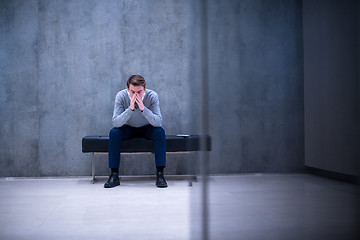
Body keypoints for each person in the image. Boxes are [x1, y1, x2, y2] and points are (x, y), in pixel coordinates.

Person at [104, 75, 168, 188]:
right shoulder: (121, 96)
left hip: (147, 128)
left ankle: (160, 174)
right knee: (114, 133)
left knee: (160, 132)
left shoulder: (152, 96)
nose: (136, 95)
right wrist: (130, 109)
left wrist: (143, 109)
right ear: (128, 89)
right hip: (128, 128)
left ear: (145, 88)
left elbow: (158, 122)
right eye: (133, 92)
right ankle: (114, 175)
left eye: (139, 92)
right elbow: (115, 122)